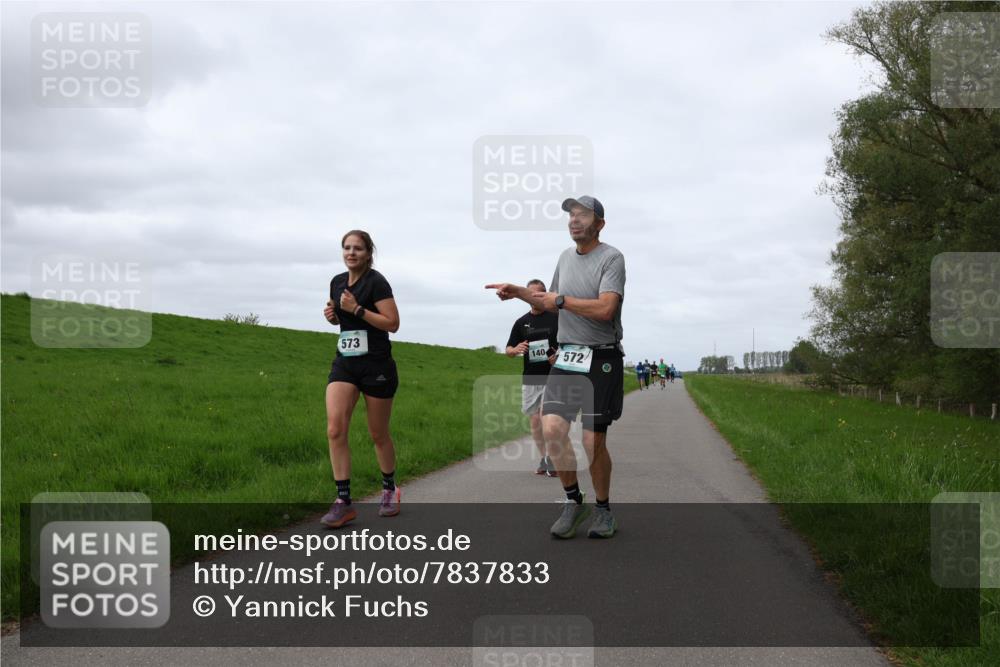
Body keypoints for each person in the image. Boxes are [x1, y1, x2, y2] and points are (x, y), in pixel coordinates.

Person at [487, 195, 625, 539]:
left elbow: (606, 309)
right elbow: (545, 300)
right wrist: (518, 291)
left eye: (583, 214)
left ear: (600, 224)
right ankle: (573, 501)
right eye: (571, 214)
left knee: (593, 442)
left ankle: (604, 510)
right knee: (551, 431)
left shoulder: (612, 258)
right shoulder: (564, 258)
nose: (574, 220)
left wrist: (561, 300)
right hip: (567, 358)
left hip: (601, 358)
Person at [321, 230, 401, 528]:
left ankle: (390, 489)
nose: (351, 253)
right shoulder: (337, 282)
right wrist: (333, 315)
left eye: (357, 248)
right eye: (346, 248)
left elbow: (392, 323)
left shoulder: (376, 282)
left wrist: (357, 309)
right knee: (334, 429)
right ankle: (343, 501)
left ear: (369, 253)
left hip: (376, 364)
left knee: (377, 433)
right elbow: (341, 318)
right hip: (346, 363)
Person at [504, 279, 560, 477]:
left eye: (541, 293)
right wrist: (515, 349)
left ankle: (554, 458)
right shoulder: (521, 322)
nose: (537, 296)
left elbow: (570, 342)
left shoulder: (556, 317)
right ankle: (544, 458)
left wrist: (558, 356)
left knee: (547, 417)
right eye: (533, 293)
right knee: (535, 421)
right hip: (531, 377)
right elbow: (508, 350)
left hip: (555, 375)